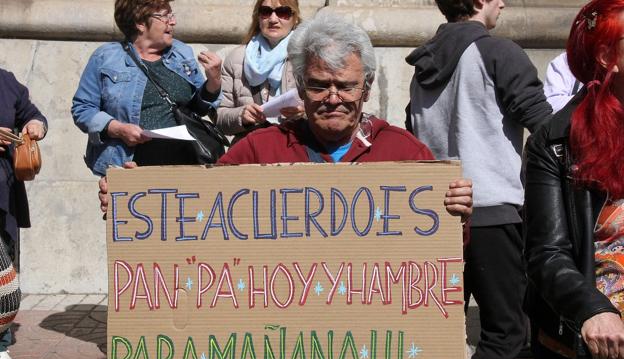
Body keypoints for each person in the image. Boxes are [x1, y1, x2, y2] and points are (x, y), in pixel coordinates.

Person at [99, 13, 473, 229]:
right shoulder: (259, 149)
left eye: (345, 86)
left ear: (366, 88)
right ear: (300, 84)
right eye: (318, 85)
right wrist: (138, 203)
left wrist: (456, 211)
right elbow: (197, 218)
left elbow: (441, 250)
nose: (332, 99)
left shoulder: (405, 153)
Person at [405, 1, 553, 359]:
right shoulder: (497, 52)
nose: (502, 3)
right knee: (507, 332)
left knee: (438, 329)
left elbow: (412, 132)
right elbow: (546, 129)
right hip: (492, 209)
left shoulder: (422, 64)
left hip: (436, 216)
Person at [524, 0, 624, 359]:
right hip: (593, 346)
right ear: (606, 55)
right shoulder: (555, 142)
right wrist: (591, 309)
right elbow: (547, 253)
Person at [71, 0, 222, 177]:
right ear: (140, 23)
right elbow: (83, 108)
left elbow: (198, 109)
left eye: (171, 15)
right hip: (130, 165)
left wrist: (214, 80)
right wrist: (118, 129)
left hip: (184, 163)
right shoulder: (106, 57)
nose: (172, 22)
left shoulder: (182, 53)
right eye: (165, 16)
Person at [0, 68, 47, 359]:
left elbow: (33, 114)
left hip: (2, 197)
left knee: (4, 277)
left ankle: (0, 345)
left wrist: (36, 125)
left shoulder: (6, 80)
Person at [217, 0, 303, 141]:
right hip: (251, 149)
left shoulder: (308, 57)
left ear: (295, 18)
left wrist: (304, 113)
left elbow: (328, 107)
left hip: (295, 146)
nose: (273, 19)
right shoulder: (237, 58)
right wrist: (241, 115)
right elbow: (220, 119)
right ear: (258, 17)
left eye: (283, 12)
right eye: (266, 12)